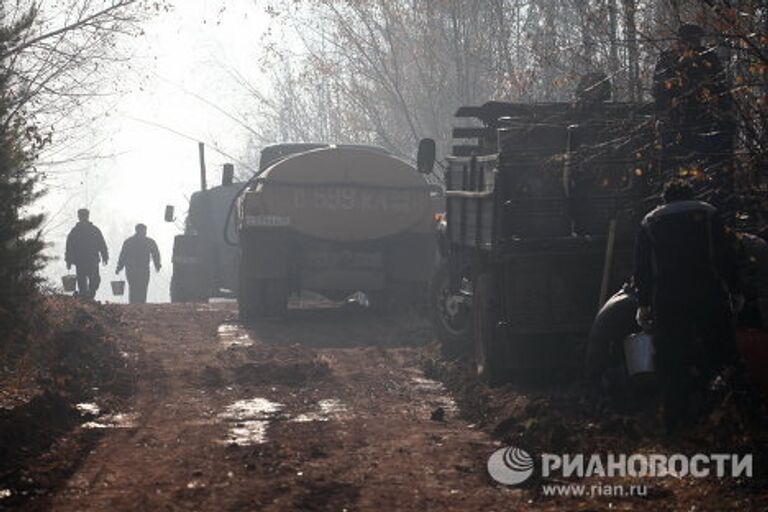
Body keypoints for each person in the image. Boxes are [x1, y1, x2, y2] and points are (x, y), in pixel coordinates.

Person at [634, 179, 743, 432]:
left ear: (665, 198)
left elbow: (643, 269)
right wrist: (735, 290)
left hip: (669, 298)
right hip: (708, 292)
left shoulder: (651, 221)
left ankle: (675, 421)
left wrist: (644, 304)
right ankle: (738, 413)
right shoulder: (707, 213)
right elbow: (725, 255)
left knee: (671, 360)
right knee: (724, 353)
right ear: (691, 194)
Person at [652, 24, 735, 174]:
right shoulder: (670, 58)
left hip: (701, 122)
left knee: (703, 166)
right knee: (675, 166)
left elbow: (721, 89)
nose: (695, 43)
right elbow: (659, 92)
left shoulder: (707, 57)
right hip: (680, 121)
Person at [65, 208, 109, 300]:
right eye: (82, 216)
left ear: (87, 216)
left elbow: (102, 244)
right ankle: (85, 298)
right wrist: (68, 260)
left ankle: (89, 295)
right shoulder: (75, 231)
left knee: (95, 280)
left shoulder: (94, 230)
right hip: (80, 261)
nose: (83, 217)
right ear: (79, 217)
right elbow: (69, 247)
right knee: (82, 281)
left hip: (92, 260)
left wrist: (105, 256)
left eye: (85, 215)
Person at [116, 224, 161, 304]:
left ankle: (133, 304)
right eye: (144, 231)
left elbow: (123, 255)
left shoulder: (129, 241)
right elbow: (155, 254)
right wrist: (157, 265)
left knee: (133, 287)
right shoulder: (149, 241)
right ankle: (141, 304)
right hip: (143, 269)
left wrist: (119, 267)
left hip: (131, 269)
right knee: (142, 287)